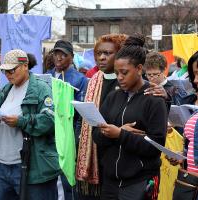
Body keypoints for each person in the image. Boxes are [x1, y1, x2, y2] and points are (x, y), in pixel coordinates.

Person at [92, 37, 167, 200]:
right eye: (117, 72)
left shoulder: (154, 99)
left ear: (139, 69)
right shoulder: (113, 97)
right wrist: (109, 134)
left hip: (140, 182)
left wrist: (120, 135)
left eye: (124, 72)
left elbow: (156, 146)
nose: (119, 77)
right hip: (110, 182)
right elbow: (96, 135)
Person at [0, 49, 61, 200]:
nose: (8, 74)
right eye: (5, 71)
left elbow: (50, 121)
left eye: (12, 70)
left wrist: (21, 121)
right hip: (2, 166)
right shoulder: (6, 89)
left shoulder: (41, 89)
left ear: (25, 66)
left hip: (31, 166)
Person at [76, 33, 128, 200]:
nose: (102, 58)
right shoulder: (93, 81)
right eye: (99, 53)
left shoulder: (128, 82)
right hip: (93, 152)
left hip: (117, 158)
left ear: (120, 54)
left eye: (107, 53)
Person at [46, 40, 88, 200]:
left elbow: (80, 112)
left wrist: (75, 139)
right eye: (56, 53)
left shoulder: (80, 80)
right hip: (48, 136)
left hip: (68, 136)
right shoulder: (46, 75)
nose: (59, 57)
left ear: (72, 57)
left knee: (67, 180)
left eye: (63, 54)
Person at [171, 51, 198, 200]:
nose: (196, 80)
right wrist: (184, 156)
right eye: (194, 74)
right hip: (189, 184)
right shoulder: (191, 99)